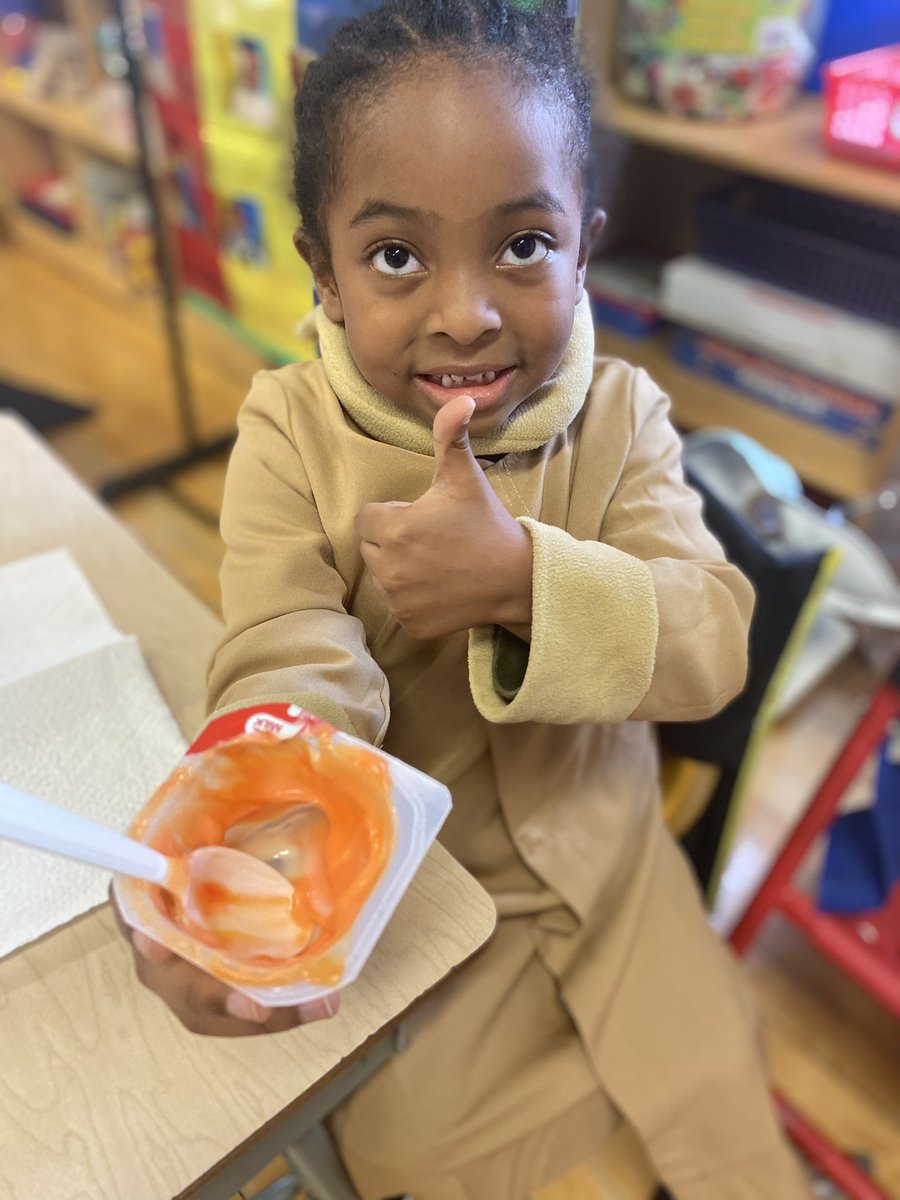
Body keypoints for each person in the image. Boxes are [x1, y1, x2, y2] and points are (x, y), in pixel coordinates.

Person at [116, 2, 812, 1197]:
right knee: (408, 1153)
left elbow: (712, 638)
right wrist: (251, 839)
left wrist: (525, 581)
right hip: (426, 904)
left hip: (617, 876)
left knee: (727, 1136)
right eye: (396, 256)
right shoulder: (289, 434)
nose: (465, 310)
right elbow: (288, 653)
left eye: (523, 247)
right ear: (324, 275)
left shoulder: (624, 414)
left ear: (583, 250)